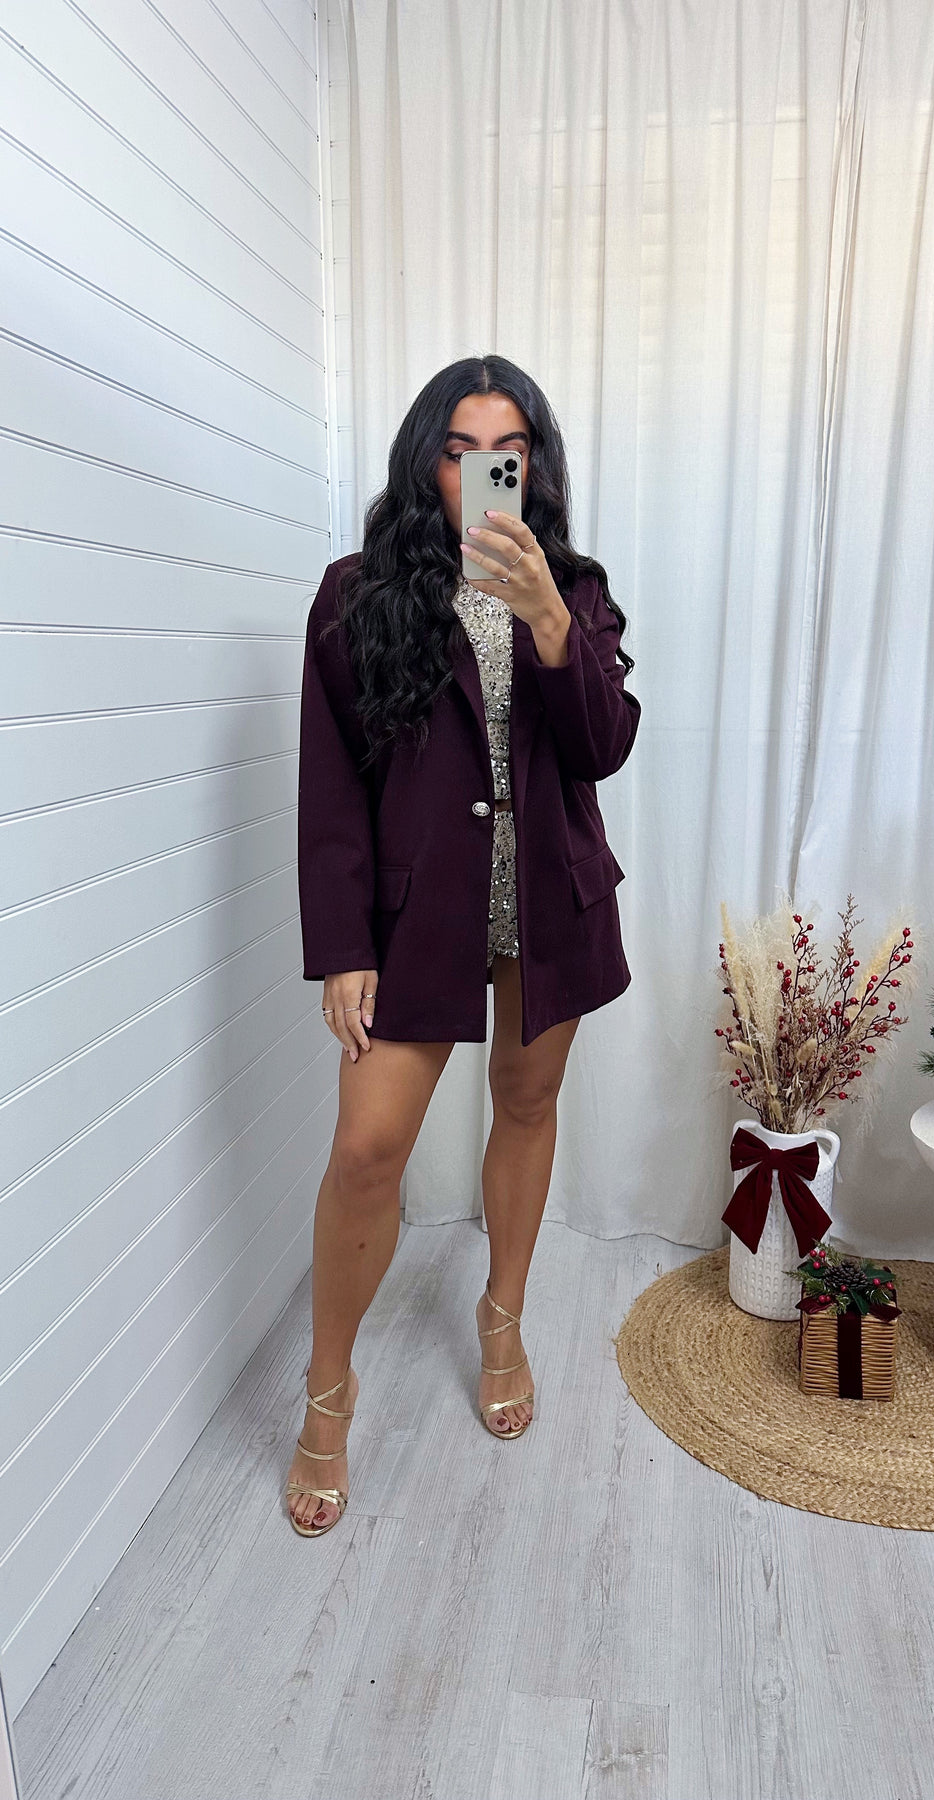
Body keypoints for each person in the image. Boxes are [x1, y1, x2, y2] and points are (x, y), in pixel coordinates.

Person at [286, 354, 641, 1536]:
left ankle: (501, 1321)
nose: (483, 470)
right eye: (458, 449)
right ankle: (326, 1394)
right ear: (424, 461)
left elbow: (601, 749)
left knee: (524, 1108)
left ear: (533, 466)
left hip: (547, 903)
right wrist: (343, 944)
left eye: (506, 450)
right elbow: (331, 783)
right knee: (366, 1151)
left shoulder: (572, 590)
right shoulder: (354, 592)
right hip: (416, 913)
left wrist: (547, 621)